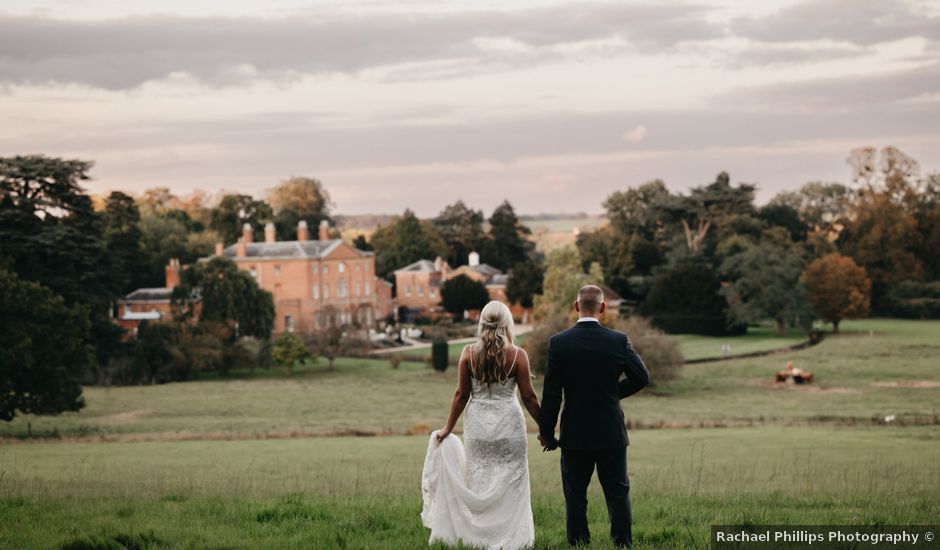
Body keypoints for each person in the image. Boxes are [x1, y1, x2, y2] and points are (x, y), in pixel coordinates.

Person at [421, 300, 541, 550]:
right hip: (509, 428)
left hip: (477, 430)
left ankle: (478, 537)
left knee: (479, 480)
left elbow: (461, 395)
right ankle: (511, 539)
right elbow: (529, 397)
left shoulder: (468, 353)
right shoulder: (518, 355)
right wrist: (546, 428)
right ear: (507, 323)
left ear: (482, 323)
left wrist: (448, 428)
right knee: (512, 484)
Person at [538, 285, 650, 548]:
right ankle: (622, 544)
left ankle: (578, 544)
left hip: (574, 432)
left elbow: (552, 393)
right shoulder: (619, 341)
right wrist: (612, 393)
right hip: (610, 430)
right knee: (618, 494)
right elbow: (642, 377)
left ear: (576, 306)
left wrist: (546, 433)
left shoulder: (558, 343)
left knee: (575, 496)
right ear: (603, 308)